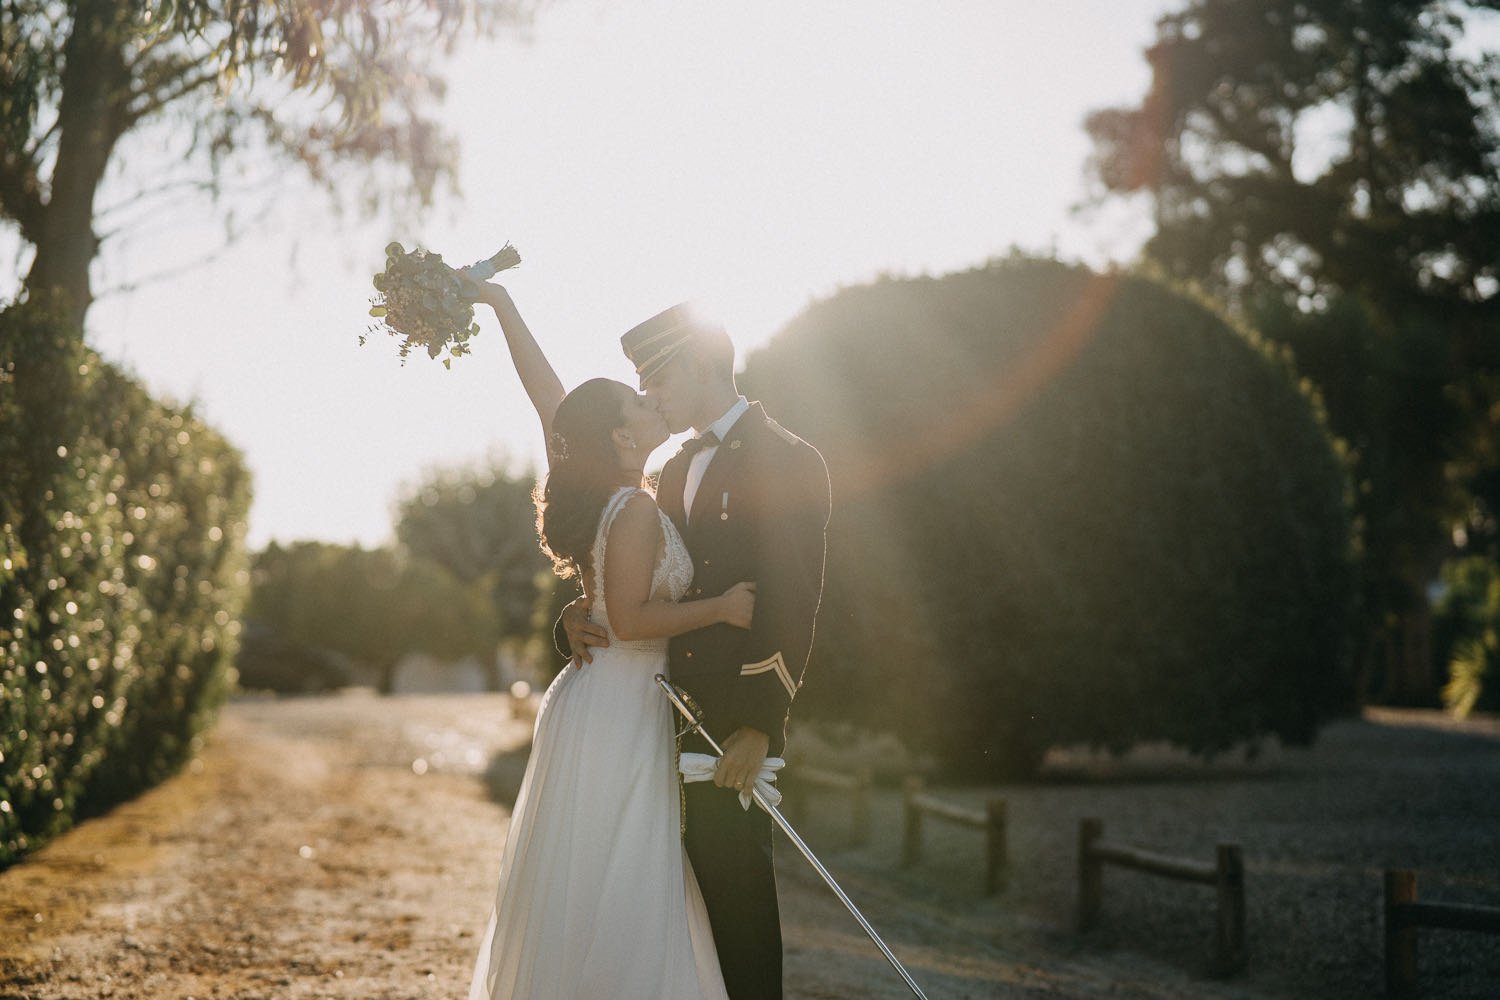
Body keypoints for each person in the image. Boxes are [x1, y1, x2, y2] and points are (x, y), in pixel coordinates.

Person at [465, 282, 749, 1000]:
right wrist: (720, 608)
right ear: (622, 437)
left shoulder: (611, 490)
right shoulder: (635, 507)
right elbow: (629, 621)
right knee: (619, 876)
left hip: (603, 699)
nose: (650, 399)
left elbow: (552, 404)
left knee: (597, 876)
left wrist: (502, 306)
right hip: (619, 701)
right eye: (637, 402)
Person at [562, 303, 832, 1000]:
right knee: (668, 922)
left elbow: (794, 601)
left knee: (738, 913)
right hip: (651, 723)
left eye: (657, 379)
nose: (650, 396)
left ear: (700, 364)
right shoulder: (673, 465)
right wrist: (577, 616)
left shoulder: (788, 458)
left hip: (727, 727)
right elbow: (637, 581)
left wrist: (760, 724)